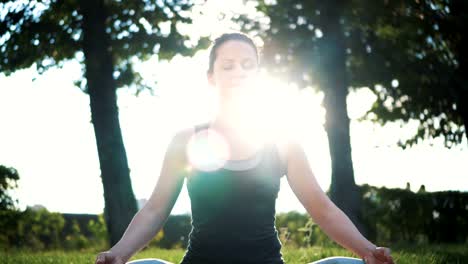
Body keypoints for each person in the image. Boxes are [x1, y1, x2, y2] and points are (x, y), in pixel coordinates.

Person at [95, 32, 394, 264]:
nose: (239, 71)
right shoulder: (185, 141)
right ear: (211, 78)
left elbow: (323, 209)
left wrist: (368, 250)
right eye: (228, 65)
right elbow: (154, 210)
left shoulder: (282, 142)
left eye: (248, 65)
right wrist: (119, 253)